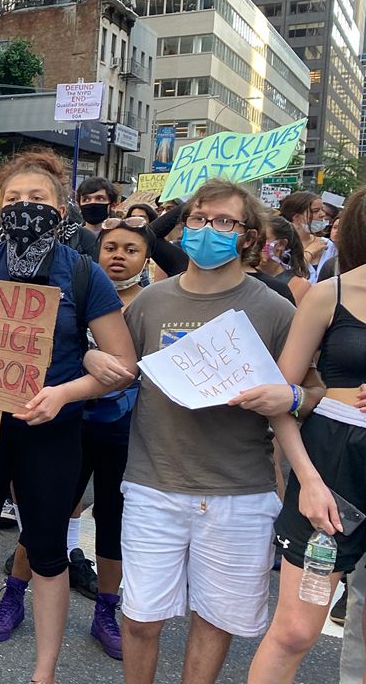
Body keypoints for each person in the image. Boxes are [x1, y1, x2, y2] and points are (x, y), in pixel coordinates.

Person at [0, 150, 136, 684]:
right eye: (16, 198)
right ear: (0, 204)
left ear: (62, 206)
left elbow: (124, 367)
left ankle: (43, 672)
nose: (26, 207)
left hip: (50, 430)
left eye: (39, 198)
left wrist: (65, 393)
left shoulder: (83, 273)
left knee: (47, 550)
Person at [121, 179, 303, 684]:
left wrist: (292, 398)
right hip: (151, 486)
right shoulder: (149, 303)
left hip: (239, 494)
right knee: (138, 620)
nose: (208, 231)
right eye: (199, 220)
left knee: (214, 621)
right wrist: (96, 358)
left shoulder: (274, 310)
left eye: (225, 222)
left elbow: (306, 393)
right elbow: (119, 366)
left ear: (248, 236)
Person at [0, 215, 151, 661]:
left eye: (131, 249)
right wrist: (89, 354)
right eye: (111, 246)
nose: (119, 256)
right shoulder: (75, 286)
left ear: (147, 258)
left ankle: (106, 611)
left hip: (120, 425)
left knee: (113, 525)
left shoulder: (151, 301)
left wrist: (100, 356)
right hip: (66, 424)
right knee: (45, 521)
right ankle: (14, 594)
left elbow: (134, 364)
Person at [246, 187, 366, 683]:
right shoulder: (330, 293)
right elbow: (282, 396)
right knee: (295, 630)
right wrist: (307, 478)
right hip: (333, 465)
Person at [280, 191, 336, 282]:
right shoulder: (280, 246)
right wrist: (310, 252)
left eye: (322, 209)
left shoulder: (329, 245)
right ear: (296, 217)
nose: (322, 214)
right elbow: (284, 280)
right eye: (315, 211)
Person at [258, 214, 312, 303]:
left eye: (263, 239)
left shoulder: (298, 285)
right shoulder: (242, 274)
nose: (255, 244)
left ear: (281, 244)